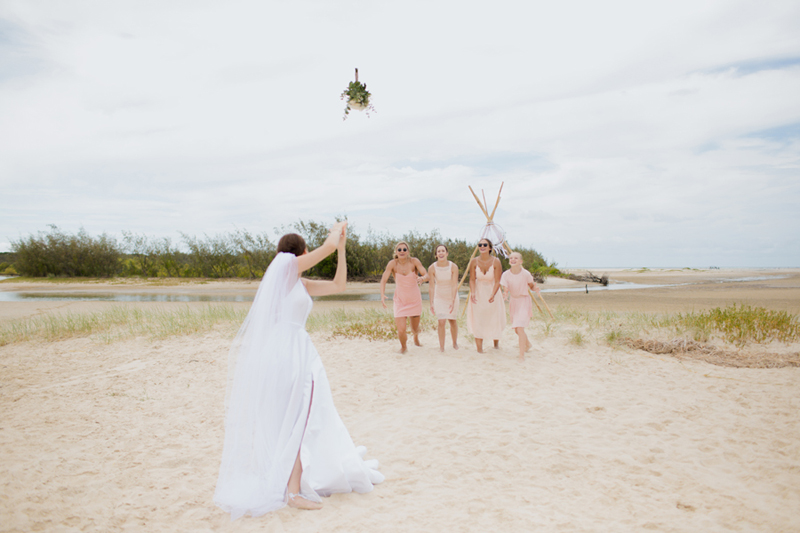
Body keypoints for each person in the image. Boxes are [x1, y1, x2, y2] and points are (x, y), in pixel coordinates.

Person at [214, 222, 384, 519]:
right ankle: (292, 491)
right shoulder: (286, 268)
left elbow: (339, 286)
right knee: (297, 418)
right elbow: (326, 248)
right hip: (287, 354)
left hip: (297, 351)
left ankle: (291, 484)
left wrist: (341, 249)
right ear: (300, 253)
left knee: (300, 418)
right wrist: (337, 232)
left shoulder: (299, 283)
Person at [380, 241, 428, 353]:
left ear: (408, 252)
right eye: (399, 249)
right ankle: (404, 347)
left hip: (414, 300)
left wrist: (422, 278)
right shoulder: (392, 264)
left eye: (404, 249)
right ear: (396, 252)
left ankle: (416, 337)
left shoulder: (414, 261)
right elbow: (383, 280)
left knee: (415, 329)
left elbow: (426, 274)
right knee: (401, 330)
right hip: (400, 300)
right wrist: (382, 295)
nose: (402, 251)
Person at [491, 252, 539, 361]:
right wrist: (505, 293)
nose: (513, 260)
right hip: (514, 302)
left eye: (516, 258)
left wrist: (535, 288)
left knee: (520, 327)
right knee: (517, 329)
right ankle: (528, 344)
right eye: (511, 258)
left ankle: (521, 355)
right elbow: (505, 288)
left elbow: (531, 285)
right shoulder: (506, 274)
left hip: (524, 301)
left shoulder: (526, 273)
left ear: (520, 261)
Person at [466, 238, 506, 353]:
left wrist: (493, 294)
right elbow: (472, 279)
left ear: (489, 247)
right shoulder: (474, 261)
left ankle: (496, 345)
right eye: (480, 244)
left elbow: (498, 280)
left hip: (492, 291)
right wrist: (473, 292)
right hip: (478, 292)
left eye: (484, 244)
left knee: (494, 318)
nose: (482, 246)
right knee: (478, 319)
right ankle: (479, 349)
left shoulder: (496, 261)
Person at [427, 244, 460, 352]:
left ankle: (454, 343)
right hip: (439, 296)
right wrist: (431, 302)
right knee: (441, 321)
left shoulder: (453, 266)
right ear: (436, 255)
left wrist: (453, 300)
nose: (441, 253)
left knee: (452, 321)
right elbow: (431, 286)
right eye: (438, 251)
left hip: (452, 295)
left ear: (447, 253)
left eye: (443, 251)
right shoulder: (432, 268)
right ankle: (442, 347)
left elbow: (455, 285)